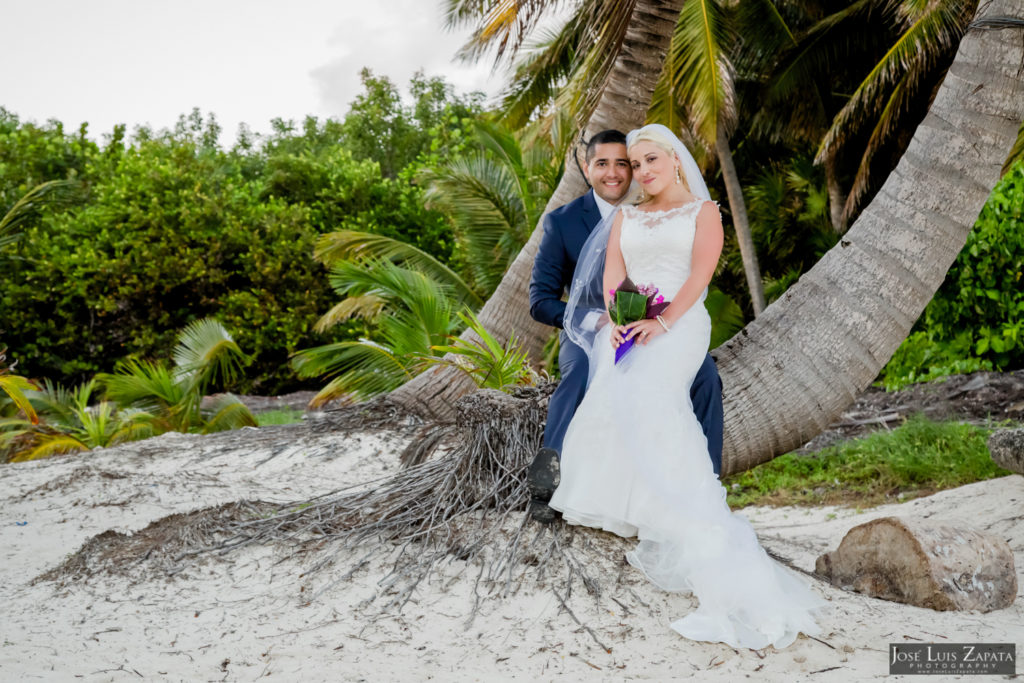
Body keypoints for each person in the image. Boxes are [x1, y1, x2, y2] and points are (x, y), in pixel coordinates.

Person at [548, 124, 825, 649]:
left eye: (652, 159)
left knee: (655, 398)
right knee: (613, 389)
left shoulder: (705, 213)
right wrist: (622, 315)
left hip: (680, 323)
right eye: (637, 163)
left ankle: (685, 517)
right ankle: (622, 501)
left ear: (675, 160)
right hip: (632, 322)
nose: (644, 171)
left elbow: (699, 276)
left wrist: (662, 323)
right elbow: (614, 275)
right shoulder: (627, 216)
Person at [527, 130, 724, 523]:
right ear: (588, 169)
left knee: (707, 379)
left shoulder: (671, 210)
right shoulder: (562, 222)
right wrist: (600, 319)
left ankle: (708, 479)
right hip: (591, 327)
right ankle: (550, 472)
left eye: (625, 164)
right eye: (604, 163)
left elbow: (696, 274)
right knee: (583, 371)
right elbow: (540, 301)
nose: (617, 173)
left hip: (664, 322)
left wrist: (658, 322)